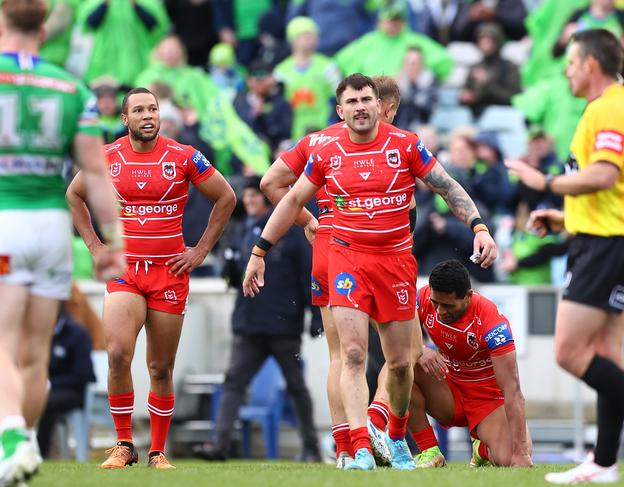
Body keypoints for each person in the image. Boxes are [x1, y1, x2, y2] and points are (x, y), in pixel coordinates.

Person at [244, 74, 497, 471]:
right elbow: (288, 195)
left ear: (380, 105)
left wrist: (479, 228)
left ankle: (389, 438)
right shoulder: (324, 149)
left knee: (400, 361)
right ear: (339, 109)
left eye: (367, 100)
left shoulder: (405, 144)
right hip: (343, 257)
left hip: (395, 262)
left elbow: (447, 186)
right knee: (352, 354)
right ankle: (358, 446)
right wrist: (261, 250)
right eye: (353, 101)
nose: (361, 107)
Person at [506, 29, 624, 483]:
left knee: (569, 352)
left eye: (570, 62)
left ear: (590, 65)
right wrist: (564, 219)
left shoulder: (610, 109)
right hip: (617, 240)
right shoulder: (618, 107)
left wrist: (543, 183)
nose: (566, 71)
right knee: (608, 354)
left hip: (608, 248)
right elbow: (621, 191)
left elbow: (604, 175)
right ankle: (605, 462)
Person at [66, 87, 236, 469]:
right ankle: (124, 444)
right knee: (117, 354)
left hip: (169, 273)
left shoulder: (183, 156)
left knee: (160, 367)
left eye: (153, 109)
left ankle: (158, 452)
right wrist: (95, 248)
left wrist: (200, 250)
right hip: (126, 272)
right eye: (139, 110)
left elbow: (226, 197)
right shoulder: (108, 157)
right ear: (125, 119)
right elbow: (74, 196)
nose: (148, 115)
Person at [0, 0, 124, 483]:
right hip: (52, 228)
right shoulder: (72, 86)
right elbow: (96, 171)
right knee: (35, 353)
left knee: (2, 344)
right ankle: (22, 448)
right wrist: (113, 241)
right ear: (45, 27)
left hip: (5, 217)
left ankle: (10, 433)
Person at [259, 75, 405, 468]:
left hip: (328, 246)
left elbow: (271, 182)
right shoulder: (391, 142)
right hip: (365, 246)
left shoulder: (316, 140)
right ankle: (374, 423)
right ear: (387, 108)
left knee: (340, 355)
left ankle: (345, 447)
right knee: (405, 351)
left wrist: (310, 221)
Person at [198, 177, 321, 462]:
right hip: (250, 323)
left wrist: (315, 314)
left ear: (268, 199)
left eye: (255, 195)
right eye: (247, 195)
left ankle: (311, 447)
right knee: (233, 383)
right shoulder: (242, 231)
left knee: (296, 386)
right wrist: (228, 267)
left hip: (283, 324)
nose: (250, 200)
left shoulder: (291, 230)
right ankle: (220, 444)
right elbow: (232, 278)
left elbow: (307, 274)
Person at [408, 260, 531, 468]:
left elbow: (513, 390)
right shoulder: (424, 297)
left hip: (487, 399)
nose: (439, 311)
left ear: (468, 296)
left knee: (511, 458)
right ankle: (430, 451)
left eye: (448, 305)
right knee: (402, 365)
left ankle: (481, 449)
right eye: (436, 303)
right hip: (448, 388)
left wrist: (521, 453)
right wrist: (419, 349)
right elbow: (395, 328)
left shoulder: (493, 324)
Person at [37, 310, 95, 458]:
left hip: (73, 393)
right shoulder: (38, 332)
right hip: (43, 388)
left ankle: (40, 454)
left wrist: (49, 383)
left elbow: (85, 374)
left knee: (46, 402)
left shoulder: (77, 334)